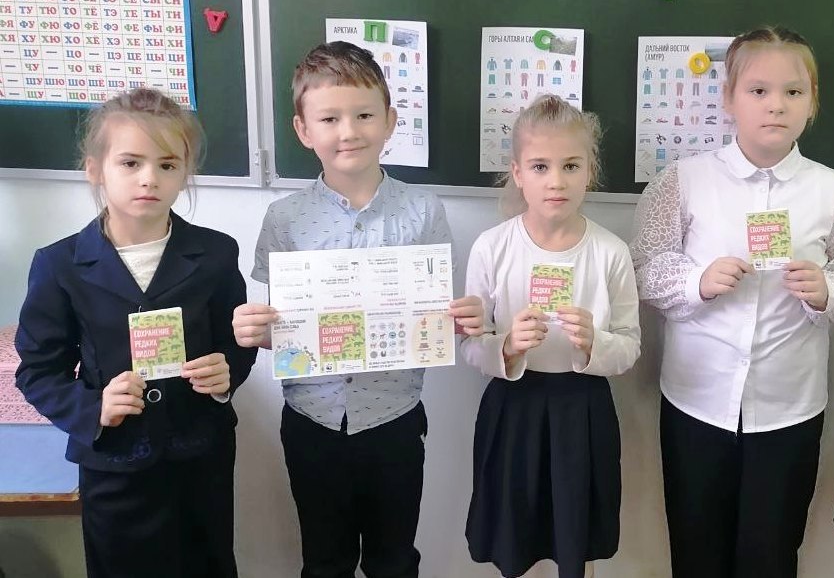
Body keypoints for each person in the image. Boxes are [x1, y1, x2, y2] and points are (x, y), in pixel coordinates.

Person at [230, 41, 483, 578]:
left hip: (394, 417)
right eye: (330, 118)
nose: (349, 131)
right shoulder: (285, 218)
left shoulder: (422, 210)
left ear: (390, 121)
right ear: (304, 130)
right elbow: (284, 327)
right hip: (312, 420)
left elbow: (435, 316)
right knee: (325, 561)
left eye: (365, 115)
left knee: (395, 560)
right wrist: (258, 331)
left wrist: (460, 322)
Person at [631, 26, 834, 578]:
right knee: (697, 548)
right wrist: (697, 281)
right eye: (758, 90)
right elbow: (644, 267)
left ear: (812, 102)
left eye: (793, 91)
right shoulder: (683, 180)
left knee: (771, 552)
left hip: (789, 405)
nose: (776, 105)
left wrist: (827, 290)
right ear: (729, 98)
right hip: (697, 398)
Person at [15, 87, 256, 578]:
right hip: (115, 465)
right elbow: (38, 371)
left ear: (185, 172)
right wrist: (92, 407)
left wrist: (227, 371)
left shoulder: (215, 253)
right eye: (130, 163)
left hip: (199, 458)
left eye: (167, 165)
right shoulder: (60, 265)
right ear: (95, 169)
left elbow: (235, 342)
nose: (149, 178)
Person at [461, 94, 640, 578]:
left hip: (582, 409)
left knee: (576, 537)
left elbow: (630, 344)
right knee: (513, 532)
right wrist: (505, 345)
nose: (556, 181)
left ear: (590, 171)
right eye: (540, 166)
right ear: (518, 173)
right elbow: (471, 342)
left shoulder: (610, 252)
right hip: (513, 407)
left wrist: (595, 343)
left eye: (571, 166)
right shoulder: (492, 247)